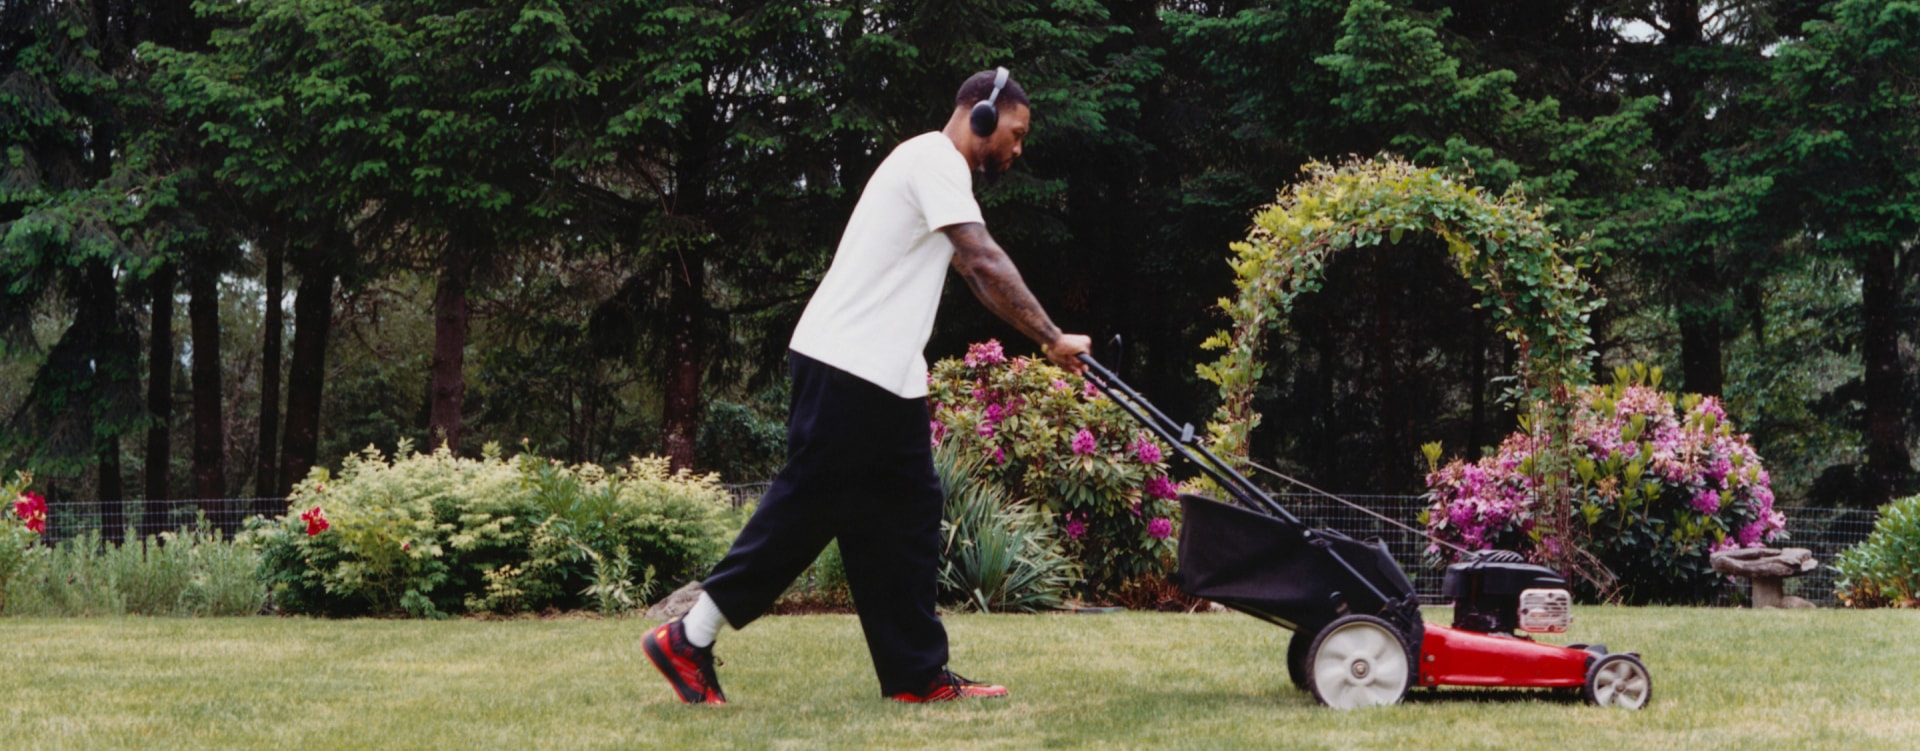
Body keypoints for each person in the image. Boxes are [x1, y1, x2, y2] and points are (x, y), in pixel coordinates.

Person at [642, 67, 1091, 705]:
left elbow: (974, 273)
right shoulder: (934, 159)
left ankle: (915, 675)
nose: (1018, 148)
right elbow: (984, 257)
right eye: (1015, 133)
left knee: (905, 519)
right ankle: (688, 636)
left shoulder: (943, 174)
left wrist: (1042, 336)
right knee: (808, 507)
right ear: (982, 115)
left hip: (891, 378)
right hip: (848, 362)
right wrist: (1051, 336)